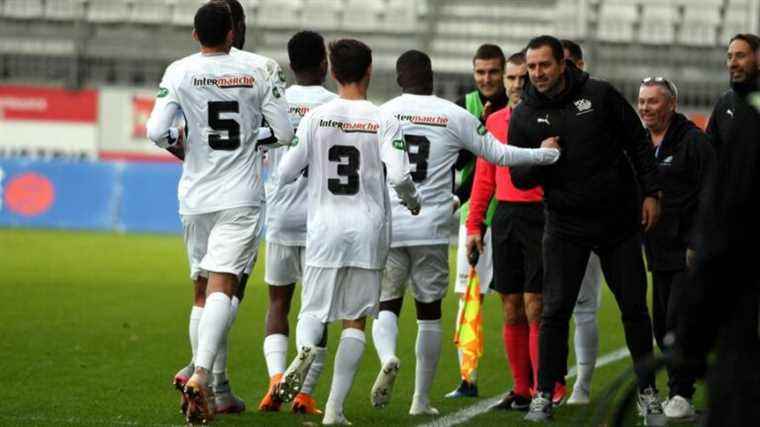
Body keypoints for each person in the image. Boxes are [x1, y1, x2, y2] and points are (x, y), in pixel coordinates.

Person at [371, 50, 561, 416]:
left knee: (387, 304)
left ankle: (388, 354)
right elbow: (499, 154)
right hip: (431, 228)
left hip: (390, 225)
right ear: (432, 77)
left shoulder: (384, 113)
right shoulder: (454, 114)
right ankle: (420, 401)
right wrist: (543, 155)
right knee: (429, 313)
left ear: (399, 80)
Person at [146, 1, 293, 423]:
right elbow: (283, 133)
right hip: (240, 196)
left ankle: (213, 383)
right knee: (223, 286)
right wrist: (251, 136)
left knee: (200, 291)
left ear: (195, 35)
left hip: (195, 196)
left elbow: (157, 131)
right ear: (232, 32)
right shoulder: (260, 68)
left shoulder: (179, 71)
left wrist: (183, 145)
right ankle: (203, 375)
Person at [508, 35, 664, 423]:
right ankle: (543, 394)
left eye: (545, 65)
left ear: (563, 63)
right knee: (554, 312)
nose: (538, 74)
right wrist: (541, 156)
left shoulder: (599, 94)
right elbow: (519, 177)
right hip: (565, 224)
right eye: (532, 67)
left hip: (618, 221)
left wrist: (651, 192)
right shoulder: (525, 114)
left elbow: (638, 142)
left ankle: (647, 392)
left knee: (633, 309)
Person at [273, 38, 421, 426]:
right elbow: (402, 175)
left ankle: (303, 351)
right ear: (370, 70)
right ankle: (334, 410)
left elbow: (286, 173)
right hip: (368, 228)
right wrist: (413, 202)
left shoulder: (316, 118)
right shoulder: (383, 118)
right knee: (355, 321)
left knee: (311, 311)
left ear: (333, 72)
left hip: (323, 226)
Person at [257, 30, 337, 415]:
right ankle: (304, 394)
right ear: (325, 63)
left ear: (291, 66)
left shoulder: (278, 105)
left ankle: (275, 380)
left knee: (278, 302)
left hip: (281, 217)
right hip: (322, 221)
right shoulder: (338, 106)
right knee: (316, 309)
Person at [682, 33, 760, 427]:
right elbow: (714, 171)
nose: (733, 62)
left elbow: (729, 192)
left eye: (742, 56)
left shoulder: (747, 112)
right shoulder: (730, 105)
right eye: (730, 56)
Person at [466, 51, 541, 410]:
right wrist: (474, 224)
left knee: (536, 306)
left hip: (542, 217)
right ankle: (521, 389)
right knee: (511, 307)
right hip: (506, 218)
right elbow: (484, 178)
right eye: (511, 79)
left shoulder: (548, 118)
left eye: (522, 79)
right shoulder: (494, 121)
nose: (515, 85)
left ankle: (544, 389)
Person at [637, 76, 715, 420]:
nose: (645, 108)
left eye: (653, 102)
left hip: (686, 250)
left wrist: (699, 242)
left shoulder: (693, 142)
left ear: (671, 104)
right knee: (660, 324)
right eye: (641, 101)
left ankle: (682, 394)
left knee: (677, 322)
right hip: (656, 251)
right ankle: (678, 388)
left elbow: (712, 195)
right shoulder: (640, 142)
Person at [447, 43, 509, 399]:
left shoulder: (520, 107)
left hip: (515, 215)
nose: (487, 79)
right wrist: (480, 131)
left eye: (494, 72)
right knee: (469, 297)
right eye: (481, 72)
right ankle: (467, 379)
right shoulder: (464, 108)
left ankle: (532, 384)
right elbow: (457, 164)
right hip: (477, 216)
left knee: (518, 300)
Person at [560, 38, 604, 406]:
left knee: (584, 305)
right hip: (547, 219)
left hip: (589, 217)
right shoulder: (536, 105)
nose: (565, 69)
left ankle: (582, 385)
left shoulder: (597, 103)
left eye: (571, 62)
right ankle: (543, 385)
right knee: (545, 307)